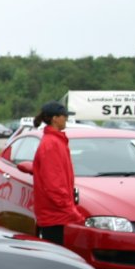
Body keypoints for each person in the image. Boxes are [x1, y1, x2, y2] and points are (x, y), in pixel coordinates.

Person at [32, 101, 84, 245]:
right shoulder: (51, 144)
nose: (66, 118)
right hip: (53, 212)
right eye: (64, 115)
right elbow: (53, 183)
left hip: (55, 212)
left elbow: (48, 172)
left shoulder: (56, 141)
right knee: (54, 255)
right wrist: (68, 208)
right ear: (55, 118)